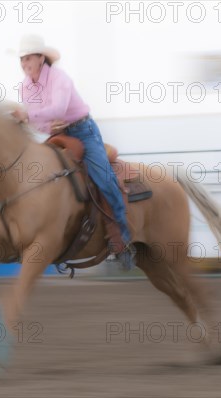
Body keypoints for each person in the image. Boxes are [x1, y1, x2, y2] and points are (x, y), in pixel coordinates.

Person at [11, 34, 136, 269]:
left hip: (83, 131)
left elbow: (56, 108)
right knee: (40, 177)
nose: (25, 63)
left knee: (105, 179)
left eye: (29, 58)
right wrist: (49, 126)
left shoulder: (59, 78)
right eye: (22, 59)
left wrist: (29, 116)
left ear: (41, 58)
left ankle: (123, 239)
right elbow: (37, 123)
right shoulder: (25, 87)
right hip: (59, 133)